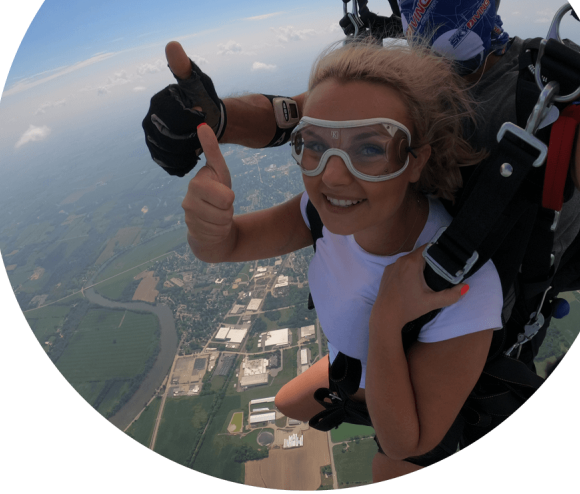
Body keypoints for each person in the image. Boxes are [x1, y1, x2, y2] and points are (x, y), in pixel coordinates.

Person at [143, 0, 580, 470]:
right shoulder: (402, 91)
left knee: (391, 461)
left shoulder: (554, 91)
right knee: (293, 402)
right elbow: (299, 116)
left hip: (469, 329)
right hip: (391, 307)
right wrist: (211, 119)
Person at [183, 39, 504, 481]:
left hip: (403, 399)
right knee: (283, 403)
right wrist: (208, 229)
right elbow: (227, 246)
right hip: (350, 370)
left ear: (416, 161)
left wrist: (387, 319)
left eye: (370, 148)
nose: (330, 175)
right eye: (313, 145)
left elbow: (404, 442)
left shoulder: (464, 285)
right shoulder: (319, 213)